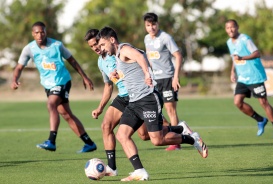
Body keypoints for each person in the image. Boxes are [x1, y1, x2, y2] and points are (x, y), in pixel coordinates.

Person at [97, 26, 208, 181]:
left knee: (157, 140)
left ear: (112, 40)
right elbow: (136, 59)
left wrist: (147, 74)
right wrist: (116, 73)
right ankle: (140, 171)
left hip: (148, 99)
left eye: (102, 44)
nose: (100, 48)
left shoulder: (124, 49)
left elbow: (141, 57)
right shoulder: (118, 55)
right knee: (122, 135)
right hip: (134, 102)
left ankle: (192, 139)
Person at [10, 21, 97, 153]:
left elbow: (72, 60)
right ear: (33, 34)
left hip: (62, 81)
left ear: (46, 32)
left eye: (42, 31)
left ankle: (51, 141)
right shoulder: (29, 49)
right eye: (37, 32)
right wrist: (14, 79)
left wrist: (85, 77)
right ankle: (89, 143)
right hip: (48, 85)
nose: (40, 35)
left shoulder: (57, 45)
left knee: (51, 104)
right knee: (66, 114)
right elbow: (19, 67)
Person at [225, 19, 273, 139]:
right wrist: (232, 72)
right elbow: (234, 58)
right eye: (228, 28)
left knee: (263, 102)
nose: (230, 29)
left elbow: (257, 53)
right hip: (242, 78)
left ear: (237, 27)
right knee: (237, 102)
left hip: (255, 76)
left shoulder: (245, 39)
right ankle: (260, 120)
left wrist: (243, 57)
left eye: (232, 27)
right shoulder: (229, 42)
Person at [143, 12, 184, 150]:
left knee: (170, 110)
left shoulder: (166, 38)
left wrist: (176, 77)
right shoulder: (147, 39)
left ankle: (176, 143)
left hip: (168, 78)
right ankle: (178, 130)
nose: (151, 28)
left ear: (157, 24)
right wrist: (147, 74)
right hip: (155, 80)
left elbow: (178, 56)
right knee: (156, 110)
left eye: (153, 24)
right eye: (148, 25)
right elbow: (148, 58)